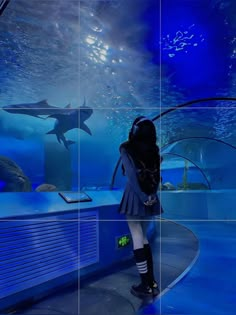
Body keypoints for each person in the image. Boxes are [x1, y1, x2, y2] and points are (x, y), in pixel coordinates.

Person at [118, 116, 163, 299]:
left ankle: (145, 284)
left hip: (135, 195)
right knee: (144, 236)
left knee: (136, 235)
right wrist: (151, 195)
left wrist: (143, 197)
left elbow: (130, 175)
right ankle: (151, 282)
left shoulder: (126, 147)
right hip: (151, 195)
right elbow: (157, 175)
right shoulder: (155, 149)